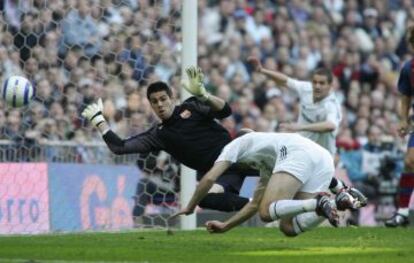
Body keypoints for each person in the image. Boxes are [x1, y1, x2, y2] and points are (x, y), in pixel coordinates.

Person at [82, 66, 251, 213]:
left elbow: (225, 111)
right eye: (154, 102)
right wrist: (99, 121)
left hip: (240, 154)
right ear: (151, 105)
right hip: (224, 172)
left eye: (163, 99)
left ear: (172, 98)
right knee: (205, 198)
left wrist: (204, 95)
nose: (160, 104)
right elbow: (119, 147)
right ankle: (255, 205)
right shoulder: (158, 135)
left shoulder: (191, 106)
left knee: (248, 136)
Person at [248, 57, 367, 209]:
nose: (317, 86)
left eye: (322, 83)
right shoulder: (305, 89)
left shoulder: (331, 105)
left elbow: (330, 125)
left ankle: (343, 195)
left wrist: (299, 127)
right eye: (315, 82)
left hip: (323, 155)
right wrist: (262, 70)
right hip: (302, 149)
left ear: (330, 86)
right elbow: (285, 81)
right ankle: (343, 192)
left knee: (309, 194)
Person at [172, 131, 339, 236]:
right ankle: (335, 201)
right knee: (288, 227)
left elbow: (209, 179)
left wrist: (190, 206)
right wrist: (226, 226)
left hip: (298, 153)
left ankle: (319, 202)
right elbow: (254, 204)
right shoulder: (266, 161)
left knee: (266, 213)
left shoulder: (234, 146)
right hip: (322, 157)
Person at [385, 26, 414, 227]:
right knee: (410, 162)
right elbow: (405, 96)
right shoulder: (408, 68)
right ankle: (402, 212)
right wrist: (403, 120)